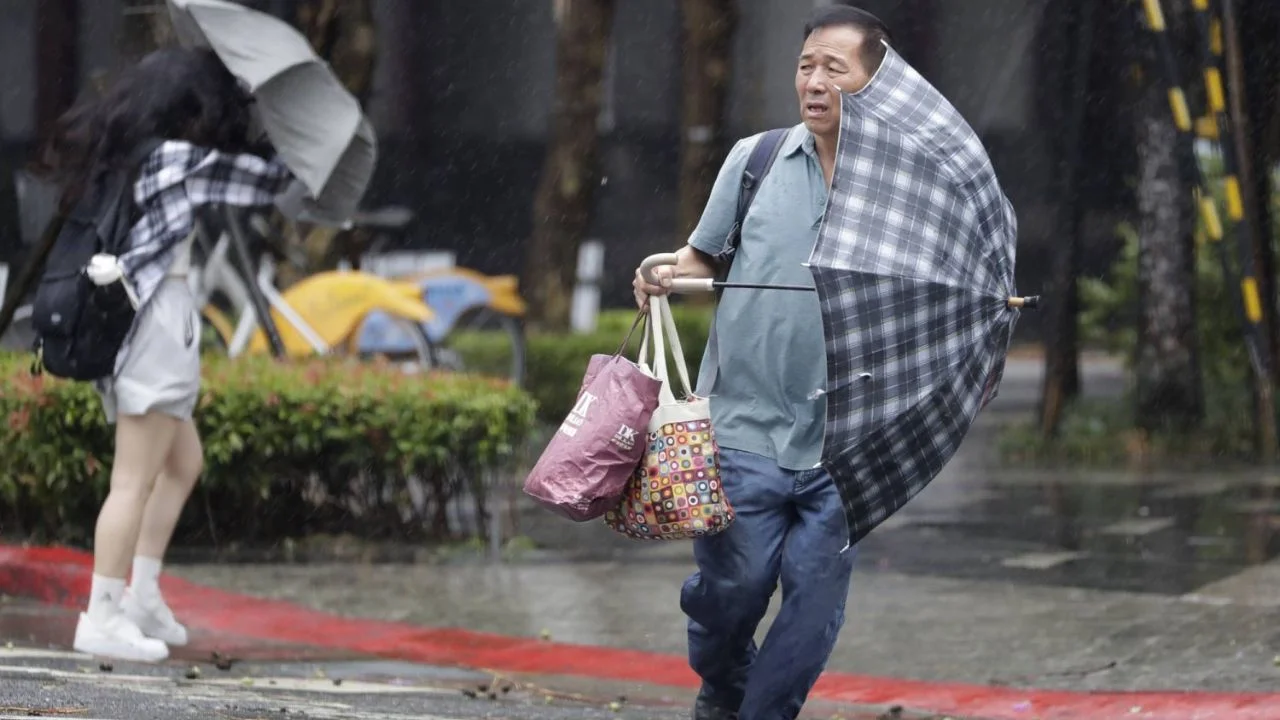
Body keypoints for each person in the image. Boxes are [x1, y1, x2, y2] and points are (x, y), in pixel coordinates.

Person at [632, 6, 891, 719]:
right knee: (733, 594)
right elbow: (701, 258)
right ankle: (721, 674)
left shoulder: (897, 193)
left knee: (810, 610)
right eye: (806, 65)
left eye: (833, 68)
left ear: (873, 80)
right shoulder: (755, 158)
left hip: (844, 442)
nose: (814, 80)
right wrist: (663, 268)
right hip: (742, 429)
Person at [35, 46, 295, 662]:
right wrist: (289, 135)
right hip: (153, 325)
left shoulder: (125, 153)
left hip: (136, 321)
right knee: (133, 479)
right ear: (192, 109)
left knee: (182, 464)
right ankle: (102, 613)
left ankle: (142, 594)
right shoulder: (176, 160)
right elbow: (273, 182)